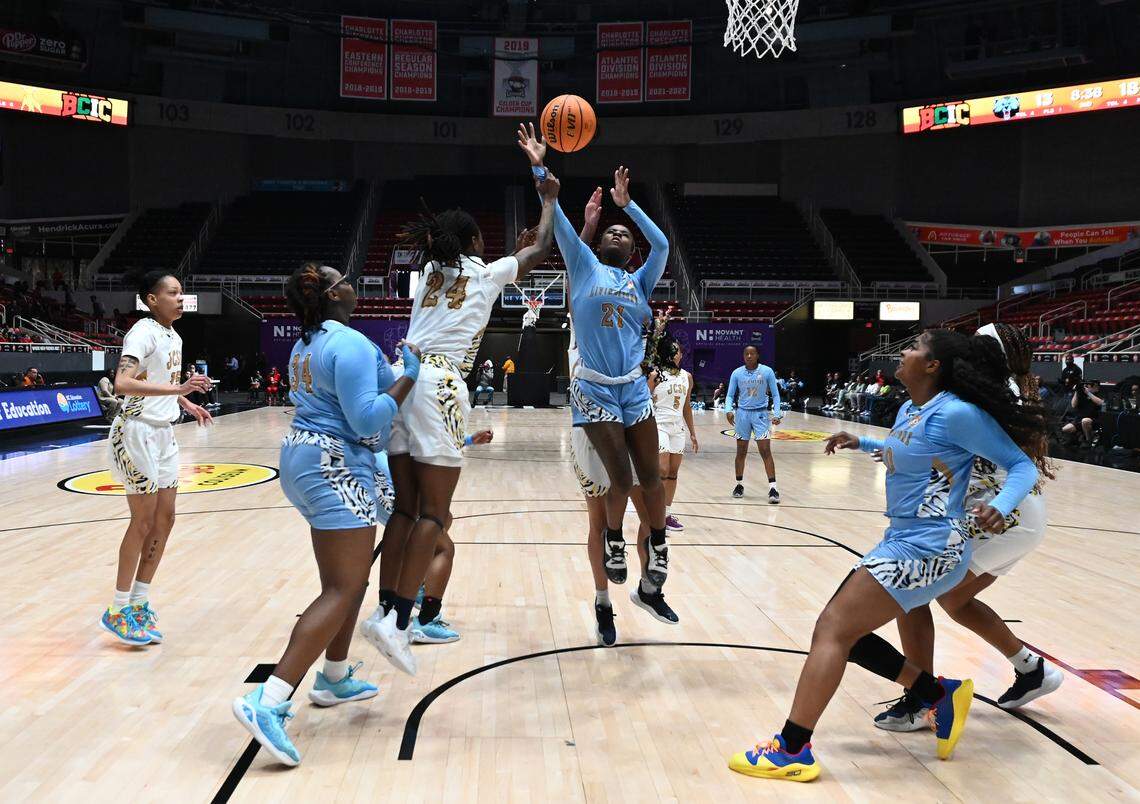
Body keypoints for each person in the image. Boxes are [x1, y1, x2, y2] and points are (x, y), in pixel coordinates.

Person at [728, 328, 1044, 783]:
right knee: (847, 635)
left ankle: (791, 748)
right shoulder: (911, 408)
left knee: (831, 630)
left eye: (914, 348)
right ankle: (937, 694)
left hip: (933, 545)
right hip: (905, 538)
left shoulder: (958, 412)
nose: (903, 351)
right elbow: (909, 452)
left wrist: (1000, 505)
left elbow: (1021, 465)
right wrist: (864, 443)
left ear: (933, 366)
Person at [360, 151, 561, 677]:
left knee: (405, 511)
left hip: (400, 377)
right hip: (441, 383)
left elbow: (473, 268)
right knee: (436, 514)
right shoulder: (488, 270)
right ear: (474, 241)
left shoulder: (429, 270)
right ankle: (402, 621)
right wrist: (548, 193)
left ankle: (384, 609)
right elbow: (542, 246)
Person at [232, 262, 420, 767]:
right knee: (341, 589)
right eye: (346, 279)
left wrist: (399, 370)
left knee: (348, 584)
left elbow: (370, 384)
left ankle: (334, 677)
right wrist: (409, 382)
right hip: (332, 462)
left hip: (301, 455)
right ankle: (267, 701)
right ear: (336, 294)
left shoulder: (308, 343)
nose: (355, 284)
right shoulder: (351, 344)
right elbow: (368, 417)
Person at [873, 323, 1060, 733]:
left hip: (1002, 516)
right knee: (955, 602)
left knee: (913, 587)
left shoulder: (974, 398)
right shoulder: (994, 390)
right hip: (1015, 516)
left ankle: (922, 699)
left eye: (975, 342)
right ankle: (1032, 670)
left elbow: (1016, 465)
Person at [519, 123, 672, 598]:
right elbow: (555, 210)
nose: (619, 234)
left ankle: (660, 543)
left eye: (625, 234)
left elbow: (662, 246)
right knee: (620, 477)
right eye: (612, 229)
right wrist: (540, 165)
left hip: (632, 386)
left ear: (631, 252)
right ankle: (613, 539)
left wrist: (630, 207)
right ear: (599, 243)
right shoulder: (583, 265)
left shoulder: (640, 283)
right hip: (594, 387)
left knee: (653, 477)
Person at [101, 270, 213, 646]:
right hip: (135, 432)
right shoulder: (142, 332)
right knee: (144, 521)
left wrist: (183, 401)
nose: (181, 299)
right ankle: (117, 608)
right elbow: (123, 382)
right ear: (152, 299)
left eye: (182, 293)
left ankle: (139, 602)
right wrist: (179, 387)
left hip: (163, 432)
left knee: (166, 519)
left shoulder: (173, 335)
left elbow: (158, 381)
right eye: (173, 293)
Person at [408, 428, 494, 645]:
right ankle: (427, 620)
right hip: (387, 482)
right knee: (443, 548)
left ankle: (416, 585)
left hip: (392, 477)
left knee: (445, 518)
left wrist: (467, 440)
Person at [648, 335, 698, 531]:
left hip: (677, 428)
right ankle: (655, 515)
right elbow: (644, 403)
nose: (680, 353)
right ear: (667, 352)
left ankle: (666, 514)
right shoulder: (655, 375)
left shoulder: (687, 377)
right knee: (661, 469)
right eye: (676, 350)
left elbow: (686, 407)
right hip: (658, 425)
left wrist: (692, 433)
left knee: (673, 473)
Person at [725, 346, 782, 502]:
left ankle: (773, 488)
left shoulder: (767, 371)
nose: (749, 356)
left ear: (757, 355)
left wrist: (777, 413)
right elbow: (730, 395)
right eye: (746, 354)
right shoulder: (736, 373)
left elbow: (776, 396)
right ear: (743, 356)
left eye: (752, 353)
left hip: (761, 414)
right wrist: (728, 410)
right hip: (742, 414)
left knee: (765, 450)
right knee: (741, 451)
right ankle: (739, 484)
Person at [1061, 380, 1104, 446]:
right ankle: (1077, 438)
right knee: (1065, 429)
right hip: (1079, 419)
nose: (1087, 387)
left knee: (1085, 421)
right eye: (1087, 386)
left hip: (1093, 419)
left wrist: (1088, 393)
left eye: (1089, 386)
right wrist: (1077, 391)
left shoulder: (1099, 394)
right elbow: (1073, 405)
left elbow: (1101, 403)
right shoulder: (1081, 394)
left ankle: (1088, 441)